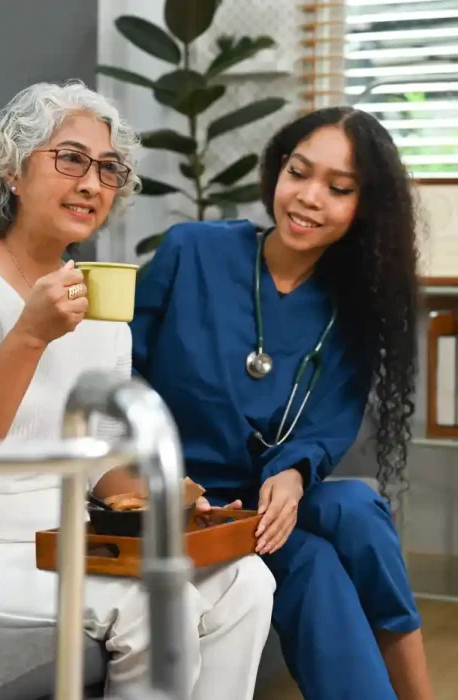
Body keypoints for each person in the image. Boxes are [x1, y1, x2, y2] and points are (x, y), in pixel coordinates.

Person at [0, 80, 275, 700]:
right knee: (154, 601)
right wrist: (30, 335)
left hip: (69, 536)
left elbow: (99, 463)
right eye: (70, 158)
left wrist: (168, 501)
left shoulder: (103, 306)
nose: (92, 183)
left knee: (246, 580)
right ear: (11, 172)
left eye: (109, 169)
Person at [130, 106, 435, 699]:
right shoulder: (191, 251)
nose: (309, 197)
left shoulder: (355, 309)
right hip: (184, 498)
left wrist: (294, 475)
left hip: (270, 504)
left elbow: (323, 430)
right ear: (277, 170)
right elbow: (120, 369)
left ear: (363, 208)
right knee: (320, 562)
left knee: (356, 512)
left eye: (339, 188)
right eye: (299, 172)